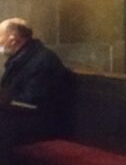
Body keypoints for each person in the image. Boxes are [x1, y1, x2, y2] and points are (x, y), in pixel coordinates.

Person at [0, 19, 73, 147]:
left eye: (0, 36)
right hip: (18, 118)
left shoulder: (43, 60)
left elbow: (30, 102)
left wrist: (5, 99)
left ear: (12, 40)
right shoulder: (20, 57)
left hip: (39, 125)